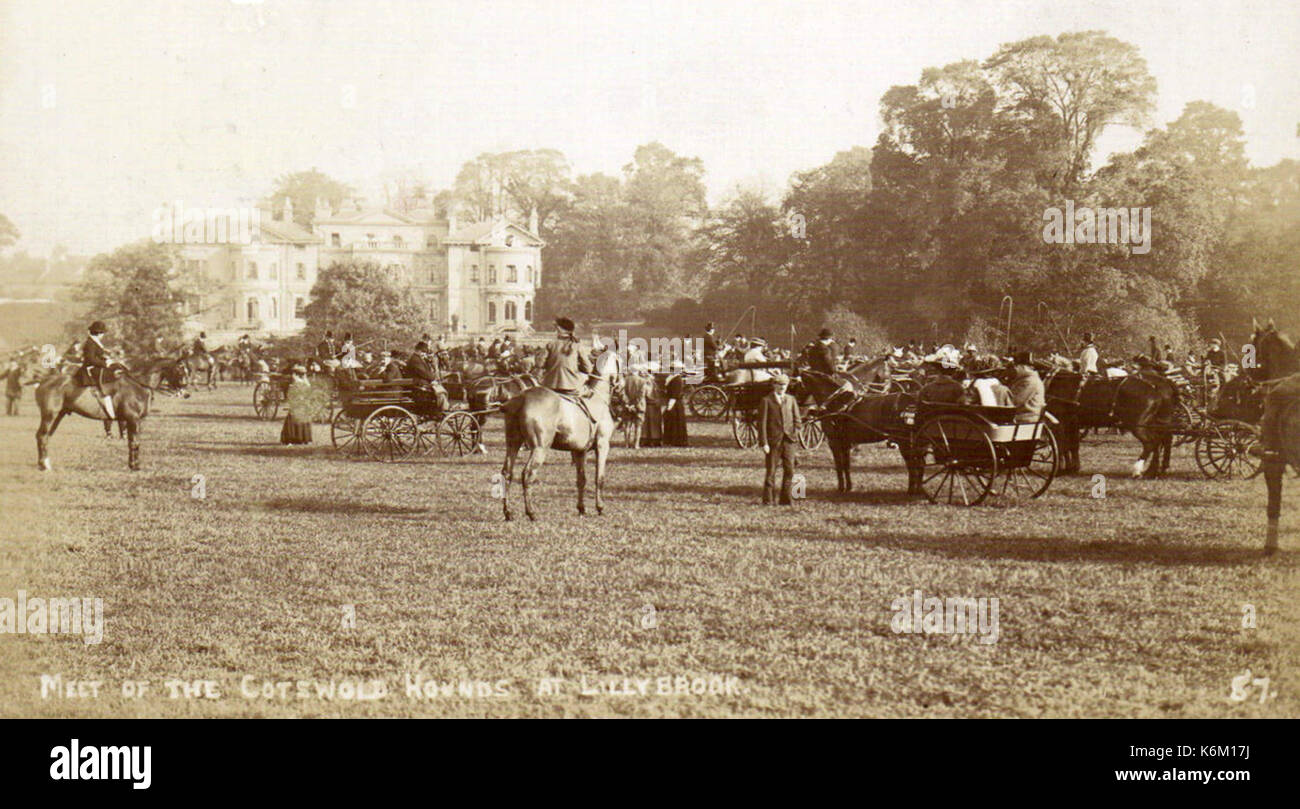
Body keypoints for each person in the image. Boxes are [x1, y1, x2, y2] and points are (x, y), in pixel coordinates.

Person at [759, 374, 800, 505]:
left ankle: (786, 499)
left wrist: (795, 435)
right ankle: (768, 500)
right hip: (773, 442)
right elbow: (762, 424)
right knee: (771, 471)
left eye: (784, 385)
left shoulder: (791, 400)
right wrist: (764, 442)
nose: (782, 387)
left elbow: (797, 421)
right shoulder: (766, 401)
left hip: (789, 441)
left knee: (790, 470)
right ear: (774, 385)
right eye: (779, 385)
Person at [540, 317, 595, 395]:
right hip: (572, 386)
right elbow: (588, 369)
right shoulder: (577, 345)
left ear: (559, 329)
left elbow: (540, 364)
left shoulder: (550, 344)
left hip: (550, 385)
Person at [79, 320, 116, 420]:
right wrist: (104, 363)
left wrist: (107, 359)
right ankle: (105, 396)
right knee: (107, 375)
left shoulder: (95, 342)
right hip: (90, 369)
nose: (103, 335)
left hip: (96, 366)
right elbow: (90, 359)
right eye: (102, 333)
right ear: (98, 333)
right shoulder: (90, 343)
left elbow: (97, 355)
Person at [280, 365, 313, 445]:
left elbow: (290, 394)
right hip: (304, 403)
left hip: (297, 403)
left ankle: (291, 438)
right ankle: (304, 438)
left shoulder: (295, 383)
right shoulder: (307, 383)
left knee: (292, 418)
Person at [1009, 351, 1045, 423]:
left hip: (1024, 418)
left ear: (1023, 367)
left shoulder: (1029, 381)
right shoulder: (1027, 379)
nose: (1015, 369)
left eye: (1016, 366)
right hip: (1025, 416)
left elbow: (1015, 402)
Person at [663, 361, 689, 447]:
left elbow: (674, 394)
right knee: (671, 422)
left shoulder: (677, 380)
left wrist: (669, 406)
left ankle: (677, 441)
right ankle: (670, 440)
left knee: (675, 423)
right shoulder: (672, 378)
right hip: (673, 401)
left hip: (675, 403)